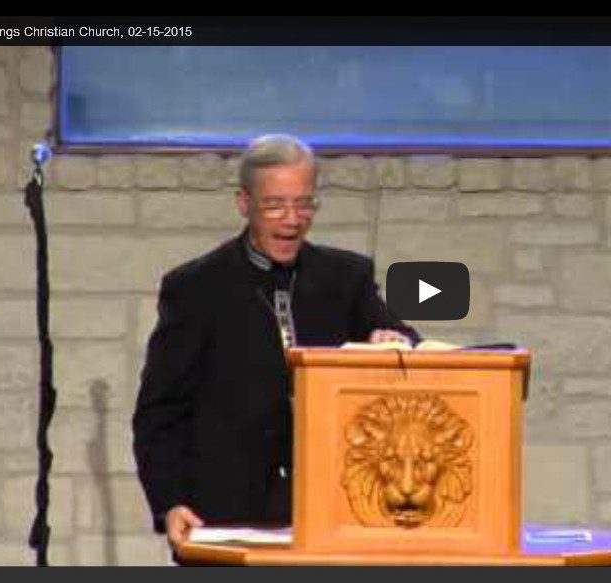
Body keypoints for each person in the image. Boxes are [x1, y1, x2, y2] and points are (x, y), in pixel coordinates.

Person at [132, 134, 419, 550]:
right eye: (275, 205)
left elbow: (407, 343)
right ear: (244, 204)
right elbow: (160, 413)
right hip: (224, 512)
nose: (292, 219)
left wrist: (393, 340)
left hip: (333, 509)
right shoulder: (196, 288)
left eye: (304, 204)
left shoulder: (346, 278)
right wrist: (170, 502)